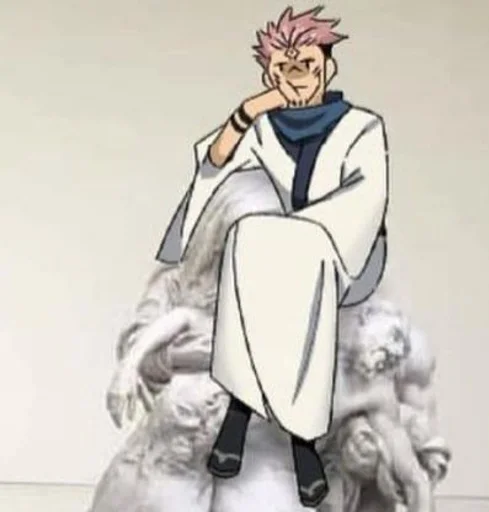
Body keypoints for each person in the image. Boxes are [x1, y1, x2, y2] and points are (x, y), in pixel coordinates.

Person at [155, 6, 389, 508]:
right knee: (249, 236)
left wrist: (304, 234)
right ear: (271, 75)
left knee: (285, 247)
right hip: (281, 249)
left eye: (306, 64)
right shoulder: (267, 128)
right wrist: (251, 109)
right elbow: (215, 160)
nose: (297, 75)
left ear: (327, 67)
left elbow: (365, 203)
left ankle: (300, 438)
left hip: (346, 250)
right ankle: (242, 407)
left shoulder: (362, 127)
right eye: (284, 67)